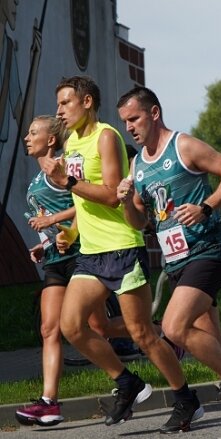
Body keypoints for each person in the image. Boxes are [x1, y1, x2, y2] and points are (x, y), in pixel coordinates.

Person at [115, 86, 221, 436]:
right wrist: (127, 201)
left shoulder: (184, 146)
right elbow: (140, 222)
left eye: (134, 118)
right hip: (176, 261)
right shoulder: (138, 164)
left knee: (174, 328)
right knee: (214, 346)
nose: (129, 127)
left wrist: (206, 207)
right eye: (125, 122)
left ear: (154, 113)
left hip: (207, 252)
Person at [41, 76, 189, 428]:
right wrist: (71, 232)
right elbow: (82, 202)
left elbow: (111, 194)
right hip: (91, 252)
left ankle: (186, 398)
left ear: (87, 102)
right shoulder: (72, 142)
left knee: (142, 335)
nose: (59, 111)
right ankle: (127, 382)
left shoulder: (106, 136)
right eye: (59, 104)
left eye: (66, 103)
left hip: (122, 247)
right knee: (72, 326)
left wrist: (69, 182)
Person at [15, 116, 77, 427]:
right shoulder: (37, 180)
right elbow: (48, 218)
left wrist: (56, 226)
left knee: (95, 326)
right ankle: (49, 402)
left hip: (83, 256)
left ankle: (158, 333)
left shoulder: (63, 168)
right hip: (55, 258)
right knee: (49, 329)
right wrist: (45, 242)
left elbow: (89, 203)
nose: (27, 137)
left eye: (34, 133)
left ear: (51, 140)